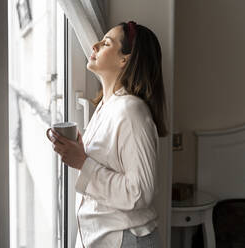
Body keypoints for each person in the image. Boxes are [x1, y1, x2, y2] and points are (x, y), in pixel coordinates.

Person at [46, 20, 168, 247]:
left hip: (125, 239)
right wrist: (79, 153)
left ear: (125, 59)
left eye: (106, 43)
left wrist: (83, 162)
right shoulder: (107, 106)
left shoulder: (132, 111)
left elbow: (140, 193)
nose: (95, 46)